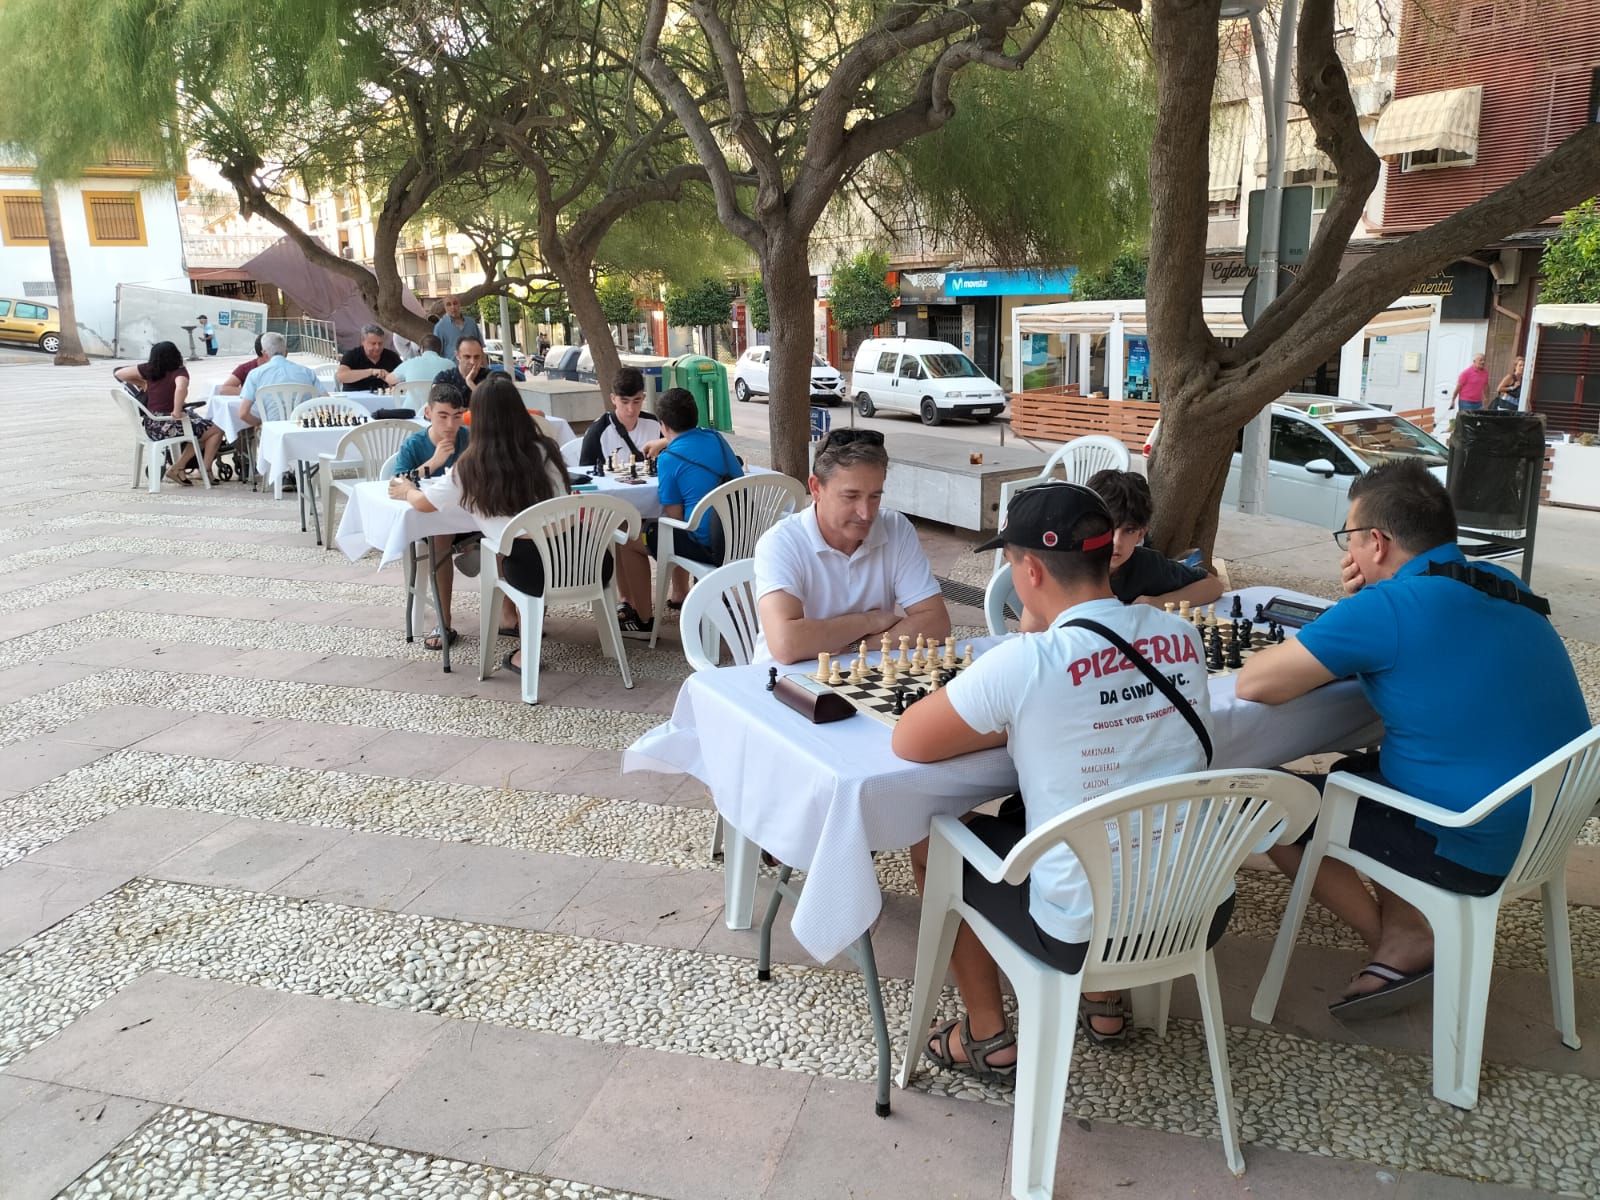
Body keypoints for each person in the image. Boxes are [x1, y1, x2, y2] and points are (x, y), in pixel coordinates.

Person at [1236, 459, 1588, 1017]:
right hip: (1546, 823)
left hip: (1470, 839)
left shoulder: (1391, 607)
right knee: (1354, 772)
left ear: (1377, 540)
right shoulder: (1506, 586)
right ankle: (1408, 926)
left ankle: (1403, 940)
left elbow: (1257, 683)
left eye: (1349, 537)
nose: (1347, 552)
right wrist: (1364, 607)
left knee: (1265, 799)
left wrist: (1361, 606)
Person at [893, 482, 1215, 1076]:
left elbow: (908, 739)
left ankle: (987, 1036)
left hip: (1078, 926)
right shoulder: (1182, 637)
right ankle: (1103, 1002)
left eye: (1011, 563)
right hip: (1196, 907)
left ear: (1031, 569)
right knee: (1065, 816)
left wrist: (1018, 707)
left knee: (931, 841)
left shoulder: (1025, 664)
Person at [390, 373, 575, 671]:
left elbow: (424, 505)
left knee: (508, 546)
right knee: (516, 543)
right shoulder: (547, 450)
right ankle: (517, 625)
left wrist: (409, 490)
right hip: (580, 561)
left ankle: (526, 653)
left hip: (529, 569)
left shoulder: (473, 464)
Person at [752, 429, 950, 665]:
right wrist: (870, 621)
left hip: (864, 673)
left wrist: (855, 645)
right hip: (782, 683)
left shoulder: (896, 528)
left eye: (875, 496)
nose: (866, 513)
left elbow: (936, 624)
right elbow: (786, 644)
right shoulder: (781, 542)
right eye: (851, 496)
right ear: (816, 489)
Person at [614, 387, 743, 633]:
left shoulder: (669, 459)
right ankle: (682, 595)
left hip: (707, 546)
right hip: (741, 537)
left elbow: (676, 519)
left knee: (629, 535)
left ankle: (642, 620)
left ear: (662, 425)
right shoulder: (717, 438)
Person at [391, 385, 475, 650]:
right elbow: (396, 483)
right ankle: (444, 621)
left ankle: (508, 617)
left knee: (506, 526)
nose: (451, 424)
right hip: (434, 522)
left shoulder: (471, 438)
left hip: (473, 517)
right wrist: (433, 464)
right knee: (440, 536)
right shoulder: (414, 444)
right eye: (443, 416)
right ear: (428, 413)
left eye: (457, 415)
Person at [1087, 469, 1225, 609]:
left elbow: (1212, 585)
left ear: (1140, 535)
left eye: (1129, 530)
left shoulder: (1145, 565)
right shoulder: (1067, 563)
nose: (1116, 541)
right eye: (1108, 528)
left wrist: (1160, 601)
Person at [115, 340, 225, 485]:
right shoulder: (179, 372)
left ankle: (181, 468)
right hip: (168, 424)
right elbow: (180, 387)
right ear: (176, 355)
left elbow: (119, 373)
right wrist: (177, 411)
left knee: (202, 429)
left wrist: (143, 383)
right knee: (216, 429)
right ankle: (200, 469)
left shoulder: (149, 369)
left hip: (151, 425)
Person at [577, 367, 663, 469]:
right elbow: (585, 473)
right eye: (624, 402)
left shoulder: (654, 424)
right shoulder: (597, 431)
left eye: (636, 401)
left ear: (643, 398)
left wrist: (664, 441)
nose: (631, 409)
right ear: (613, 399)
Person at [239, 332, 322, 426]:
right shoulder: (307, 372)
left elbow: (243, 414)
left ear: (264, 354)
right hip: (305, 429)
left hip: (273, 431)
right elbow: (326, 401)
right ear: (286, 352)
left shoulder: (255, 374)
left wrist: (262, 424)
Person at [336, 324, 402, 391]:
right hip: (355, 398)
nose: (377, 347)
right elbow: (341, 377)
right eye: (373, 343)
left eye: (380, 343)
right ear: (363, 341)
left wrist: (390, 378)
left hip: (385, 398)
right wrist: (370, 372)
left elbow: (404, 380)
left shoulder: (392, 356)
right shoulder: (352, 355)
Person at [432, 335, 492, 402]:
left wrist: (470, 383)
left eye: (476, 357)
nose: (472, 362)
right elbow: (436, 403)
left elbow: (493, 406)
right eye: (467, 357)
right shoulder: (444, 378)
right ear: (457, 355)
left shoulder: (490, 377)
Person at [432, 295, 481, 359]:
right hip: (451, 367)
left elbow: (480, 348)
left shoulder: (471, 323)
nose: (453, 307)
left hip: (473, 367)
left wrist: (485, 367)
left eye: (455, 303)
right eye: (448, 304)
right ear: (445, 307)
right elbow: (436, 354)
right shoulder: (439, 327)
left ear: (459, 305)